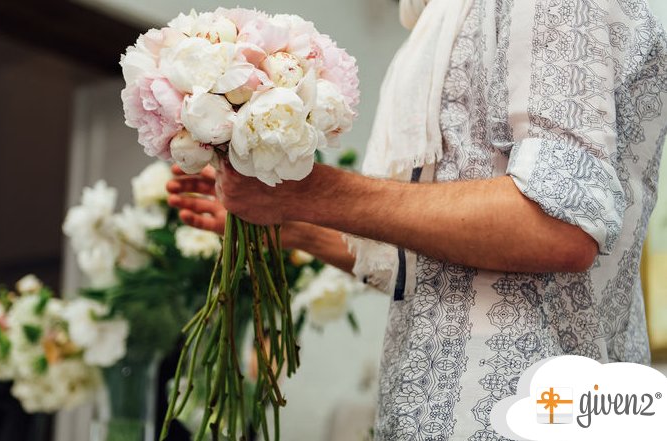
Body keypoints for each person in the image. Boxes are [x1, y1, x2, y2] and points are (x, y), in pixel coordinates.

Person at [166, 0, 667, 439]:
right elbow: (442, 272)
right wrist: (290, 223)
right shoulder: (438, 15)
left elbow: (559, 222)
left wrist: (313, 190)